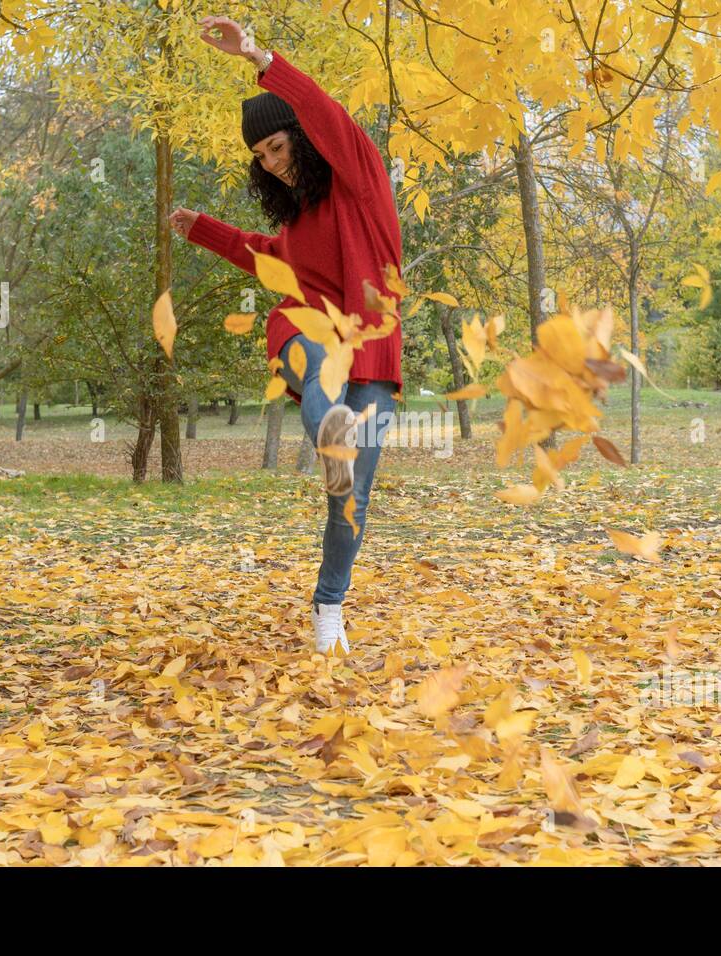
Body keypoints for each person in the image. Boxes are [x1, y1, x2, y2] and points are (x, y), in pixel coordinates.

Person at [171, 15, 404, 656]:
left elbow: (326, 110)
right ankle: (332, 443)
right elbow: (269, 259)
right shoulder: (298, 222)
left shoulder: (361, 181)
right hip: (306, 331)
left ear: (303, 137)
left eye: (277, 147)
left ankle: (329, 606)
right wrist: (204, 229)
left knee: (351, 500)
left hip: (374, 354)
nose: (272, 165)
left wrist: (257, 55)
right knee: (323, 394)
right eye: (261, 158)